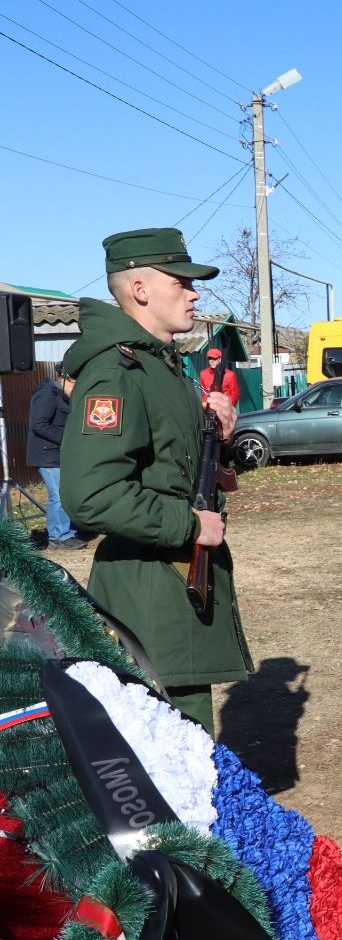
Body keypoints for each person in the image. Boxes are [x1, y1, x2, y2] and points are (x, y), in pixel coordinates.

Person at [61, 228, 248, 736]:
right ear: (140, 290)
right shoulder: (117, 373)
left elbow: (181, 471)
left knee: (189, 752)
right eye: (181, 282)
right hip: (148, 590)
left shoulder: (162, 366)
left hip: (173, 581)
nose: (194, 292)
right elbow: (90, 496)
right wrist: (189, 526)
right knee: (171, 766)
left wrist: (222, 436)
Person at [28, 369, 84, 550]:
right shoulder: (47, 394)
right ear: (64, 378)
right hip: (47, 455)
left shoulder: (60, 394)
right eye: (77, 383)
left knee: (65, 494)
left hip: (57, 453)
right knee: (58, 496)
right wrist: (66, 437)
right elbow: (38, 424)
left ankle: (66, 531)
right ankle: (58, 536)